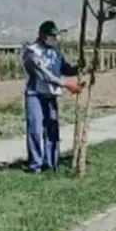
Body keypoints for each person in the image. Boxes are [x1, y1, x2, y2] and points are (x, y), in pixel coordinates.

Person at [21, 20, 82, 172]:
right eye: (50, 35)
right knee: (35, 130)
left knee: (52, 130)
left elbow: (65, 69)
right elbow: (44, 75)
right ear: (41, 34)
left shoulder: (55, 53)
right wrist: (67, 85)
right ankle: (35, 164)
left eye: (54, 35)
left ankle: (51, 164)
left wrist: (79, 67)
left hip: (50, 95)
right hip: (35, 94)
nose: (52, 38)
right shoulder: (31, 52)